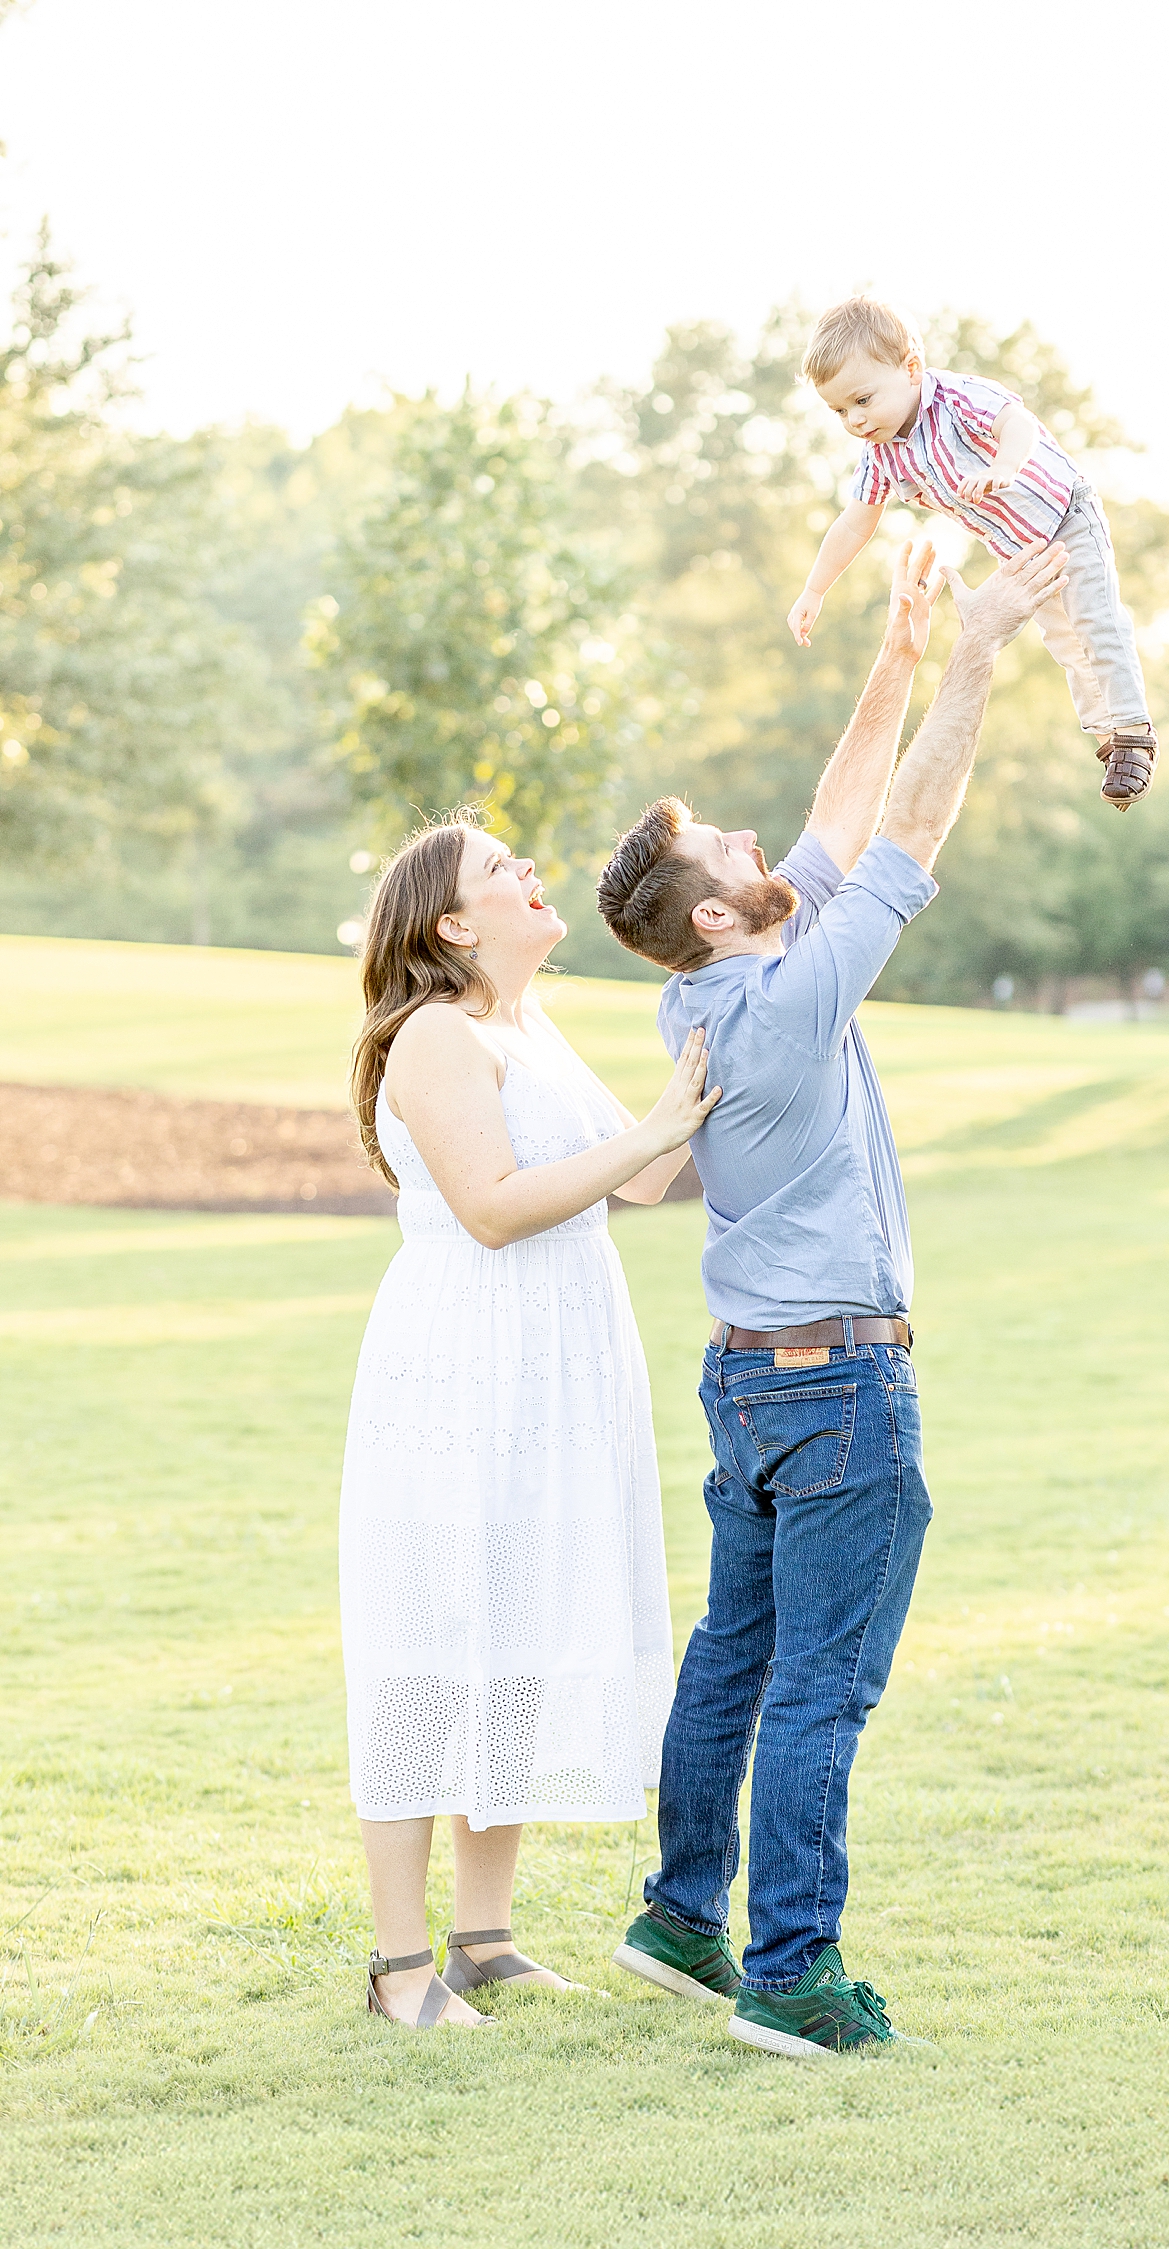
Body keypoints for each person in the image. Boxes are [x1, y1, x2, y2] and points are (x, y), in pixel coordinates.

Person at [595, 532, 1068, 2057]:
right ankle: (794, 1977)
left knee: (734, 1653)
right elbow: (910, 827)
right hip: (836, 1386)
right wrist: (986, 649)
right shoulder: (791, 1002)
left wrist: (900, 643)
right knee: (818, 1688)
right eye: (728, 847)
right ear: (723, 913)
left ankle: (681, 1914)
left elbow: (839, 804)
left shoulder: (708, 978)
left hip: (751, 1376)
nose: (758, 837)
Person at [341, 810, 719, 2029]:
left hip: (558, 1375)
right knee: (426, 1652)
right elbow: (495, 1208)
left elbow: (655, 1170)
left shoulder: (528, 1023)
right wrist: (655, 1130)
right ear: (454, 923)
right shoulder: (435, 1034)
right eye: (500, 869)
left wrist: (740, 1038)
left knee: (512, 1633)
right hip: (463, 1374)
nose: (529, 871)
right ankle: (402, 1968)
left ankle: (487, 1936)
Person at [786, 293, 1156, 812]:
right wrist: (814, 589)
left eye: (863, 400)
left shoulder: (958, 398)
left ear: (911, 368)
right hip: (1023, 548)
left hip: (1067, 512)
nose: (853, 419)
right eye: (839, 410)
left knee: (1095, 620)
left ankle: (1134, 729)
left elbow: (1018, 425)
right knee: (1063, 639)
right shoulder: (882, 456)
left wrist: (1005, 466)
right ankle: (1107, 733)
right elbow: (854, 525)